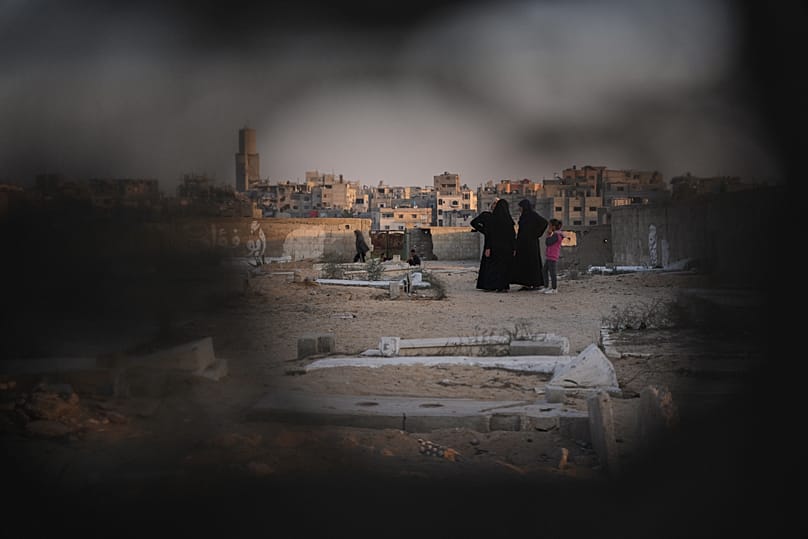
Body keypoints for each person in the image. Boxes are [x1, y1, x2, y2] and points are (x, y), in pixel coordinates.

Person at [470, 198, 515, 292]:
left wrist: (488, 246)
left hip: (495, 248)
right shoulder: (508, 220)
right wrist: (514, 248)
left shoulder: (494, 220)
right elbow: (512, 236)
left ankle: (494, 286)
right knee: (503, 268)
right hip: (505, 249)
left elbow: (491, 235)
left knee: (495, 267)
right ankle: (503, 286)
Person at [510, 198, 549, 291]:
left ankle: (535, 283)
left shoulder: (533, 215)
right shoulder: (523, 216)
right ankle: (526, 283)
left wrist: (536, 234)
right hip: (523, 243)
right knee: (524, 263)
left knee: (533, 263)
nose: (520, 209)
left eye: (521, 207)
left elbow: (544, 223)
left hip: (531, 243)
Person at [542, 219, 564, 294]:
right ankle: (546, 287)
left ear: (553, 227)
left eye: (550, 226)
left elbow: (548, 243)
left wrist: (548, 234)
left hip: (552, 256)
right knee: (544, 271)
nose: (549, 227)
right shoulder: (556, 234)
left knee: (552, 273)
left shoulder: (556, 235)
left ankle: (554, 289)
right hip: (550, 256)